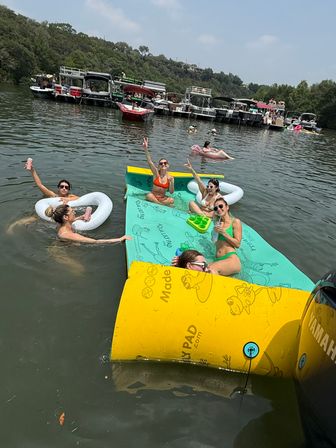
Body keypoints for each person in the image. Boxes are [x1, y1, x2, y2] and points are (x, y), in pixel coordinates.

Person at [45, 204, 131, 244]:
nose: (74, 212)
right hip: (61, 251)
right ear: (65, 217)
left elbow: (69, 222)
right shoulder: (67, 234)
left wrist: (79, 218)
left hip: (63, 243)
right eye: (72, 211)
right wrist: (120, 239)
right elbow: (95, 241)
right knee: (79, 270)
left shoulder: (61, 224)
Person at [210, 196, 242, 276]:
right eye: (216, 208)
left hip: (230, 258)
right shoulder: (217, 223)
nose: (218, 209)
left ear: (227, 207)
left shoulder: (235, 222)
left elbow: (237, 244)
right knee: (203, 269)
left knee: (211, 269)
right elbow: (214, 240)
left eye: (221, 206)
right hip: (217, 259)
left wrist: (224, 233)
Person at [142, 137, 174, 206]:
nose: (163, 164)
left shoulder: (170, 177)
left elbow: (171, 192)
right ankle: (160, 204)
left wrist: (171, 182)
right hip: (153, 196)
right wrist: (146, 149)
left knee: (171, 200)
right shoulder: (156, 174)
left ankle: (158, 203)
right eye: (161, 163)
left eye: (165, 163)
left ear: (168, 165)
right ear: (159, 166)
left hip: (162, 198)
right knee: (149, 195)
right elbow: (150, 162)